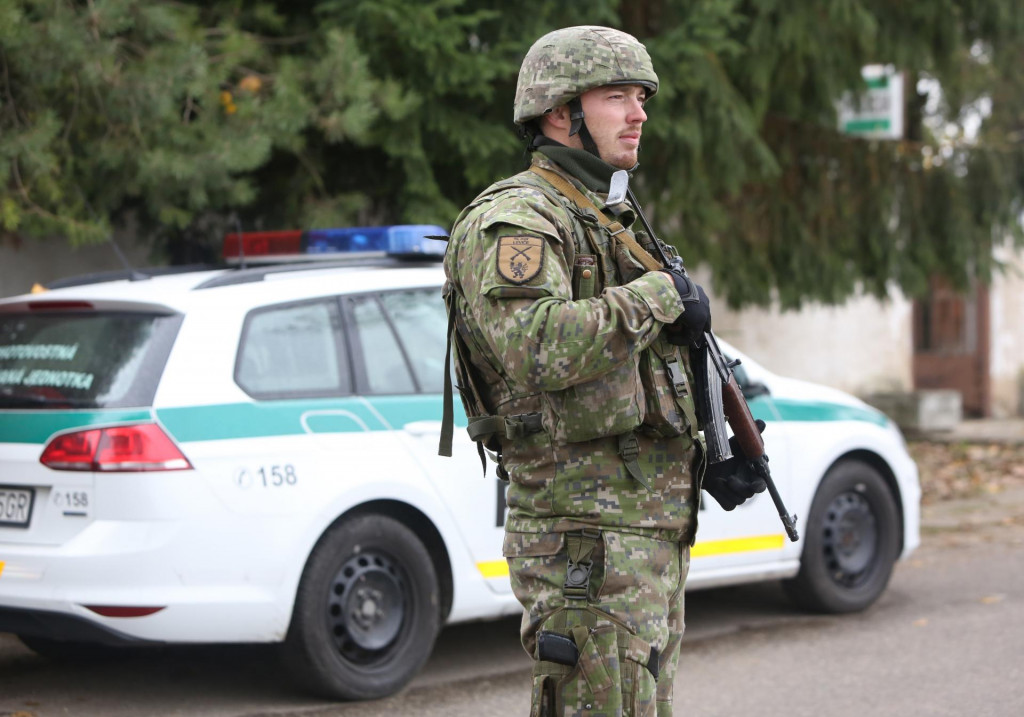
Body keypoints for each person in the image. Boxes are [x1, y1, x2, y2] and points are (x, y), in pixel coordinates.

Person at [440, 25, 765, 716]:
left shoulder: (612, 217)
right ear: (560, 114)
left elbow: (647, 368)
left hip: (645, 531)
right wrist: (657, 296)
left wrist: (714, 448)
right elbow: (536, 345)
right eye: (617, 96)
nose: (639, 112)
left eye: (641, 96)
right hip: (584, 539)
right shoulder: (517, 217)